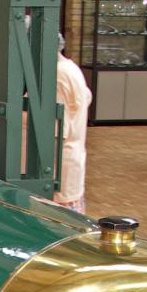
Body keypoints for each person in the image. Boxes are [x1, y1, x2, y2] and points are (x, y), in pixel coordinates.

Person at [53, 34, 92, 213]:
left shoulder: (58, 75)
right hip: (70, 166)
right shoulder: (71, 68)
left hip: (59, 173)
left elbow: (56, 132)